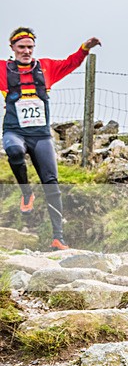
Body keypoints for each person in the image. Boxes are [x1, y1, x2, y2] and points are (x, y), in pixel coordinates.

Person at [1, 27, 101, 250]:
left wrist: (84, 49)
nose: (26, 51)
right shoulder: (3, 69)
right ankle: (27, 193)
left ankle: (58, 237)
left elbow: (69, 63)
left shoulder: (45, 67)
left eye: (30, 47)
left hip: (41, 135)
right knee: (14, 151)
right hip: (14, 131)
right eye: (21, 47)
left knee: (52, 183)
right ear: (12, 49)